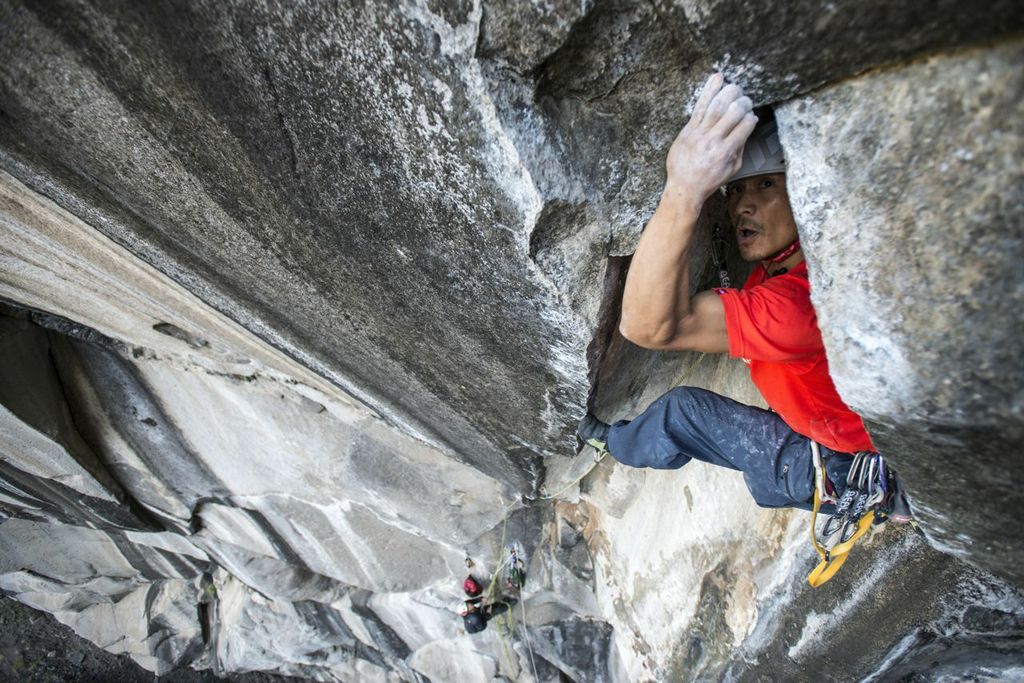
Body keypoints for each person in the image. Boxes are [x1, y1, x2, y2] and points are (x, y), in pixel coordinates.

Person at [577, 73, 910, 524]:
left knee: (684, 411)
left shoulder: (797, 306)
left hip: (842, 464)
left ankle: (612, 443)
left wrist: (685, 188)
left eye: (765, 185)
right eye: (735, 190)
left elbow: (646, 326)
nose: (740, 206)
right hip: (824, 435)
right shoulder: (777, 272)